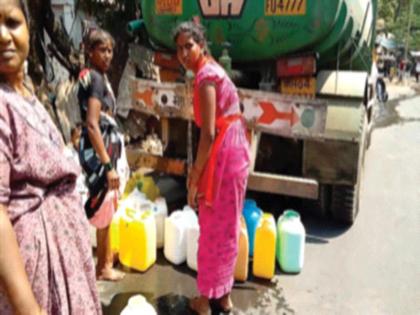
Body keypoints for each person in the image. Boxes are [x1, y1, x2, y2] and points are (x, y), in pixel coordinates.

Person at [0, 0, 101, 314]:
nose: (3, 36)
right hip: (35, 276)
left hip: (64, 257)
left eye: (12, 23)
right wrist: (29, 309)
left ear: (29, 29)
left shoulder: (25, 92)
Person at [173, 21, 250, 315]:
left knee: (211, 226)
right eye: (179, 48)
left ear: (201, 46)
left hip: (223, 154)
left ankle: (205, 300)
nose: (183, 53)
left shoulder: (205, 77)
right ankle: (224, 296)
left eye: (188, 46)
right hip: (235, 150)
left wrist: (194, 176)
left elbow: (207, 135)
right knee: (228, 225)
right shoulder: (214, 69)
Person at [77, 28, 124, 281]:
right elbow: (93, 124)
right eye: (102, 50)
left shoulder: (94, 76)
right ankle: (100, 266)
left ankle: (103, 262)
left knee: (104, 204)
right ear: (90, 51)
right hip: (99, 152)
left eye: (110, 50)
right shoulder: (95, 79)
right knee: (99, 205)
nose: (107, 55)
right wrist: (108, 165)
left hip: (100, 149)